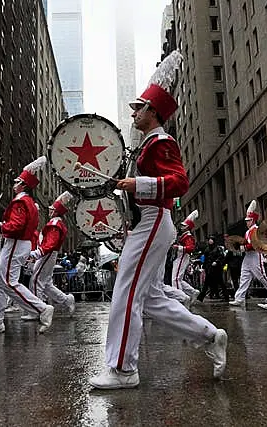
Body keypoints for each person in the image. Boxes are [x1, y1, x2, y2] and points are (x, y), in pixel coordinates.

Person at [89, 51, 227, 390]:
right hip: (148, 222)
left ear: (154, 112)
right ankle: (210, 336)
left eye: (139, 107)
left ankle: (123, 369)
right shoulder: (148, 144)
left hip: (153, 221)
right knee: (149, 298)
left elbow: (180, 182)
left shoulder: (161, 142)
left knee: (126, 292)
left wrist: (138, 184)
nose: (134, 112)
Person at [0, 156, 54, 334]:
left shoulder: (20, 201)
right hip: (18, 244)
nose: (14, 184)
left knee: (8, 283)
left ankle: (41, 309)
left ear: (24, 185)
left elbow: (16, 226)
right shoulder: (29, 204)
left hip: (15, 245)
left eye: (17, 181)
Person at [27, 191, 76, 315]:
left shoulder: (55, 223)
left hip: (47, 254)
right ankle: (66, 300)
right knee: (46, 283)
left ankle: (37, 310)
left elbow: (51, 242)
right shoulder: (56, 223)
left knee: (36, 280)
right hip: (48, 254)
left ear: (55, 211)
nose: (49, 211)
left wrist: (38, 253)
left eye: (51, 209)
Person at [229, 200, 267, 306]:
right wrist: (239, 245)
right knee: (244, 276)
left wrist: (243, 247)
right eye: (247, 220)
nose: (247, 222)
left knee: (262, 276)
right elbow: (246, 243)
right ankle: (239, 298)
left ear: (253, 220)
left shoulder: (257, 230)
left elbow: (255, 244)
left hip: (255, 255)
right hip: (248, 256)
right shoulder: (247, 232)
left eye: (248, 220)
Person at [164, 210, 200, 306]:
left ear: (188, 227)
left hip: (182, 257)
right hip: (180, 258)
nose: (182, 227)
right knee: (178, 279)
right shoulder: (184, 236)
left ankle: (181, 298)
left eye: (184, 226)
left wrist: (178, 247)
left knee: (175, 279)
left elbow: (191, 248)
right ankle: (192, 292)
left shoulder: (187, 236)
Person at [197, 237, 228, 302]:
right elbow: (205, 259)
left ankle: (226, 296)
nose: (210, 241)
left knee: (221, 282)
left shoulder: (218, 248)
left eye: (211, 240)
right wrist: (204, 267)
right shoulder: (207, 249)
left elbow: (221, 256)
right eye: (209, 240)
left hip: (217, 269)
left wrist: (216, 262)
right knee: (206, 283)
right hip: (209, 269)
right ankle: (200, 298)